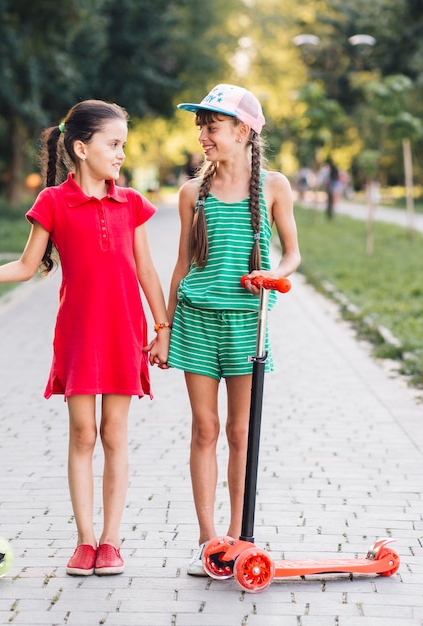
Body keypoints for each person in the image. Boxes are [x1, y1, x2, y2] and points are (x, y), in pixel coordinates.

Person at [0, 100, 171, 577]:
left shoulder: (131, 203)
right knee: (82, 434)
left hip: (123, 331)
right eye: (114, 145)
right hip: (79, 333)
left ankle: (111, 541)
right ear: (81, 148)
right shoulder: (52, 202)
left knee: (114, 434)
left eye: (123, 146)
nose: (121, 155)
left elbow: (147, 270)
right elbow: (27, 266)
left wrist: (162, 327)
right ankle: (84, 540)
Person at [167, 84, 301, 575]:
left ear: (244, 131)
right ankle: (209, 542)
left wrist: (277, 275)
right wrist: (164, 328)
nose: (203, 134)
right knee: (204, 429)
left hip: (248, 323)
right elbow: (181, 267)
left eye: (212, 126)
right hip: (196, 323)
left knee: (241, 431)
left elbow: (293, 252)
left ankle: (241, 534)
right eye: (200, 126)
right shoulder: (190, 193)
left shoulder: (274, 187)